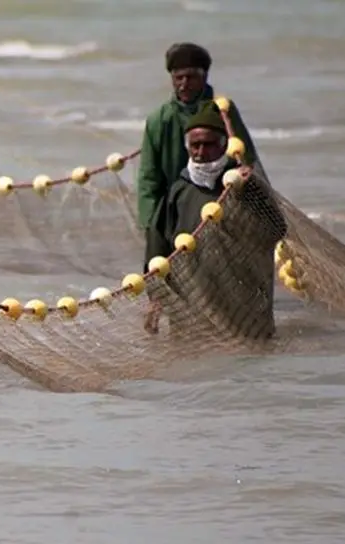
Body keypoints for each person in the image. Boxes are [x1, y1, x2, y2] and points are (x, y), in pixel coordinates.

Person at [143, 101, 287, 337]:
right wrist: (155, 299)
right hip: (193, 302)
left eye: (208, 144)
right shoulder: (179, 191)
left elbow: (276, 229)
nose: (200, 152)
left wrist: (251, 189)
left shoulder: (242, 185)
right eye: (195, 145)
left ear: (223, 145)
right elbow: (158, 245)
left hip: (241, 304)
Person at [136, 42, 261, 231]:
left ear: (204, 77)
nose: (184, 85)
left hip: (223, 206)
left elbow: (246, 159)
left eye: (191, 77)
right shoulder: (159, 120)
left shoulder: (223, 111)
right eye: (179, 78)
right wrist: (150, 226)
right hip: (178, 208)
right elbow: (149, 179)